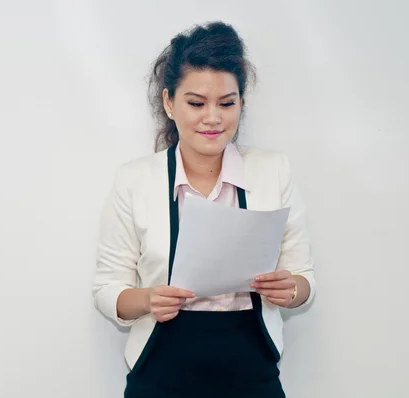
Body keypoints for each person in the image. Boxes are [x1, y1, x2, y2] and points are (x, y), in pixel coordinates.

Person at [92, 21, 316, 398]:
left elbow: (305, 279)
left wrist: (291, 289)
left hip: (252, 376)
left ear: (241, 103)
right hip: (159, 375)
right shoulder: (134, 181)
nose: (213, 117)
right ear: (168, 102)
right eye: (196, 103)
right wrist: (148, 299)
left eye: (227, 103)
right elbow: (106, 289)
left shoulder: (273, 171)